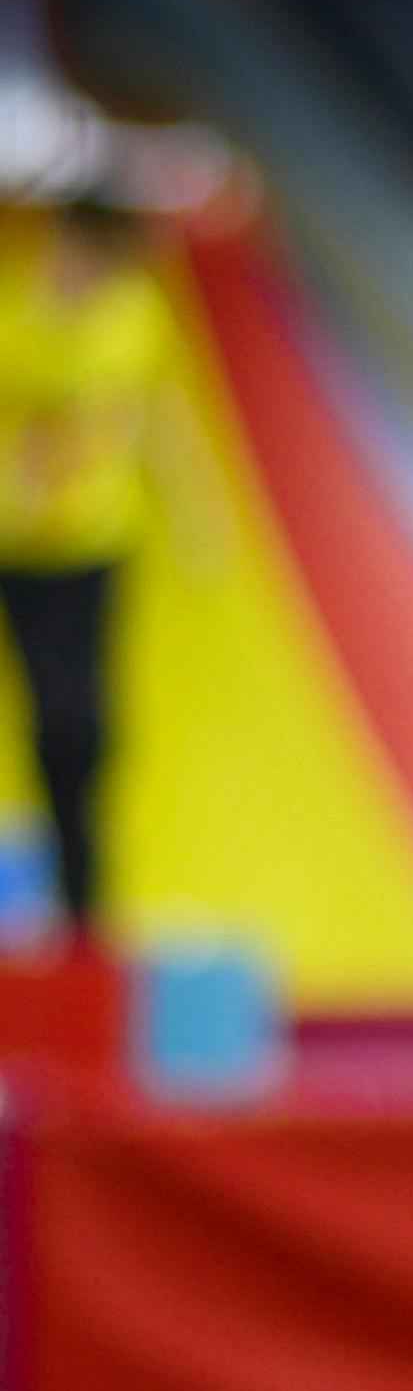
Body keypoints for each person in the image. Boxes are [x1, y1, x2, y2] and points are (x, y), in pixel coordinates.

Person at [0, 197, 192, 941]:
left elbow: (155, 419)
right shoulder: (17, 317)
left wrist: (189, 513)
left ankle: (84, 909)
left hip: (93, 546)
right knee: (51, 720)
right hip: (16, 548)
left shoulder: (133, 317)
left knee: (79, 726)